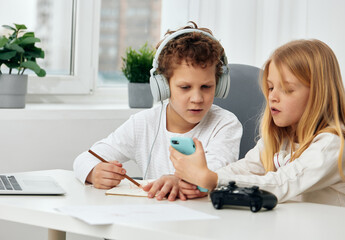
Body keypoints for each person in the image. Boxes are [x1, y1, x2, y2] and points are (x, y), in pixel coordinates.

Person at [170, 39, 345, 207]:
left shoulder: (335, 145)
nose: (272, 97)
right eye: (270, 87)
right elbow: (244, 168)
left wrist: (213, 180)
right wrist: (198, 180)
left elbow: (282, 183)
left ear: (319, 94)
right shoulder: (280, 139)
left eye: (287, 89)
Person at [73, 22, 243, 201]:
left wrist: (178, 180)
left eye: (206, 87)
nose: (197, 98)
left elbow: (213, 174)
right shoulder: (143, 123)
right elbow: (84, 159)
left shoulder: (225, 124)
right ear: (163, 87)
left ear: (219, 86)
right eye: (185, 87)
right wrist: (94, 172)